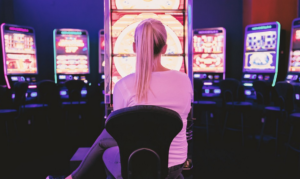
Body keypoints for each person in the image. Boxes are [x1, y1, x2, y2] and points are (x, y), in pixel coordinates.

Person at [47, 18, 193, 179]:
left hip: (136, 167)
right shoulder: (185, 80)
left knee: (106, 144)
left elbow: (119, 134)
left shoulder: (124, 85)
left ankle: (73, 177)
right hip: (175, 167)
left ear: (135, 47)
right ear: (165, 48)